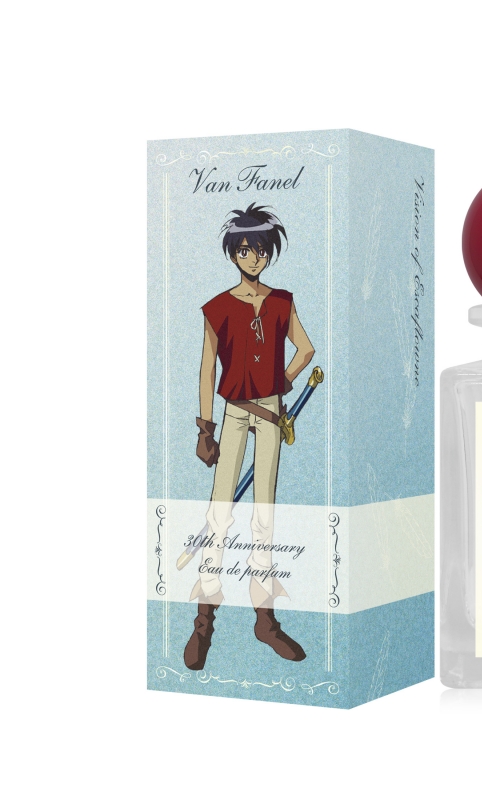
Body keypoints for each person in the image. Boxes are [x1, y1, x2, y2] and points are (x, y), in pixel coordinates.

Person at [184, 203, 315, 671]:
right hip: (235, 413)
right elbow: (207, 369)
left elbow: (306, 349)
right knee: (219, 510)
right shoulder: (218, 307)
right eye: (244, 250)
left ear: (269, 254)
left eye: (260, 251)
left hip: (272, 413)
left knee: (264, 513)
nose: (253, 258)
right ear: (233, 254)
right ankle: (204, 620)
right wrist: (205, 428)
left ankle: (265, 618)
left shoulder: (282, 302)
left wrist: (282, 381)